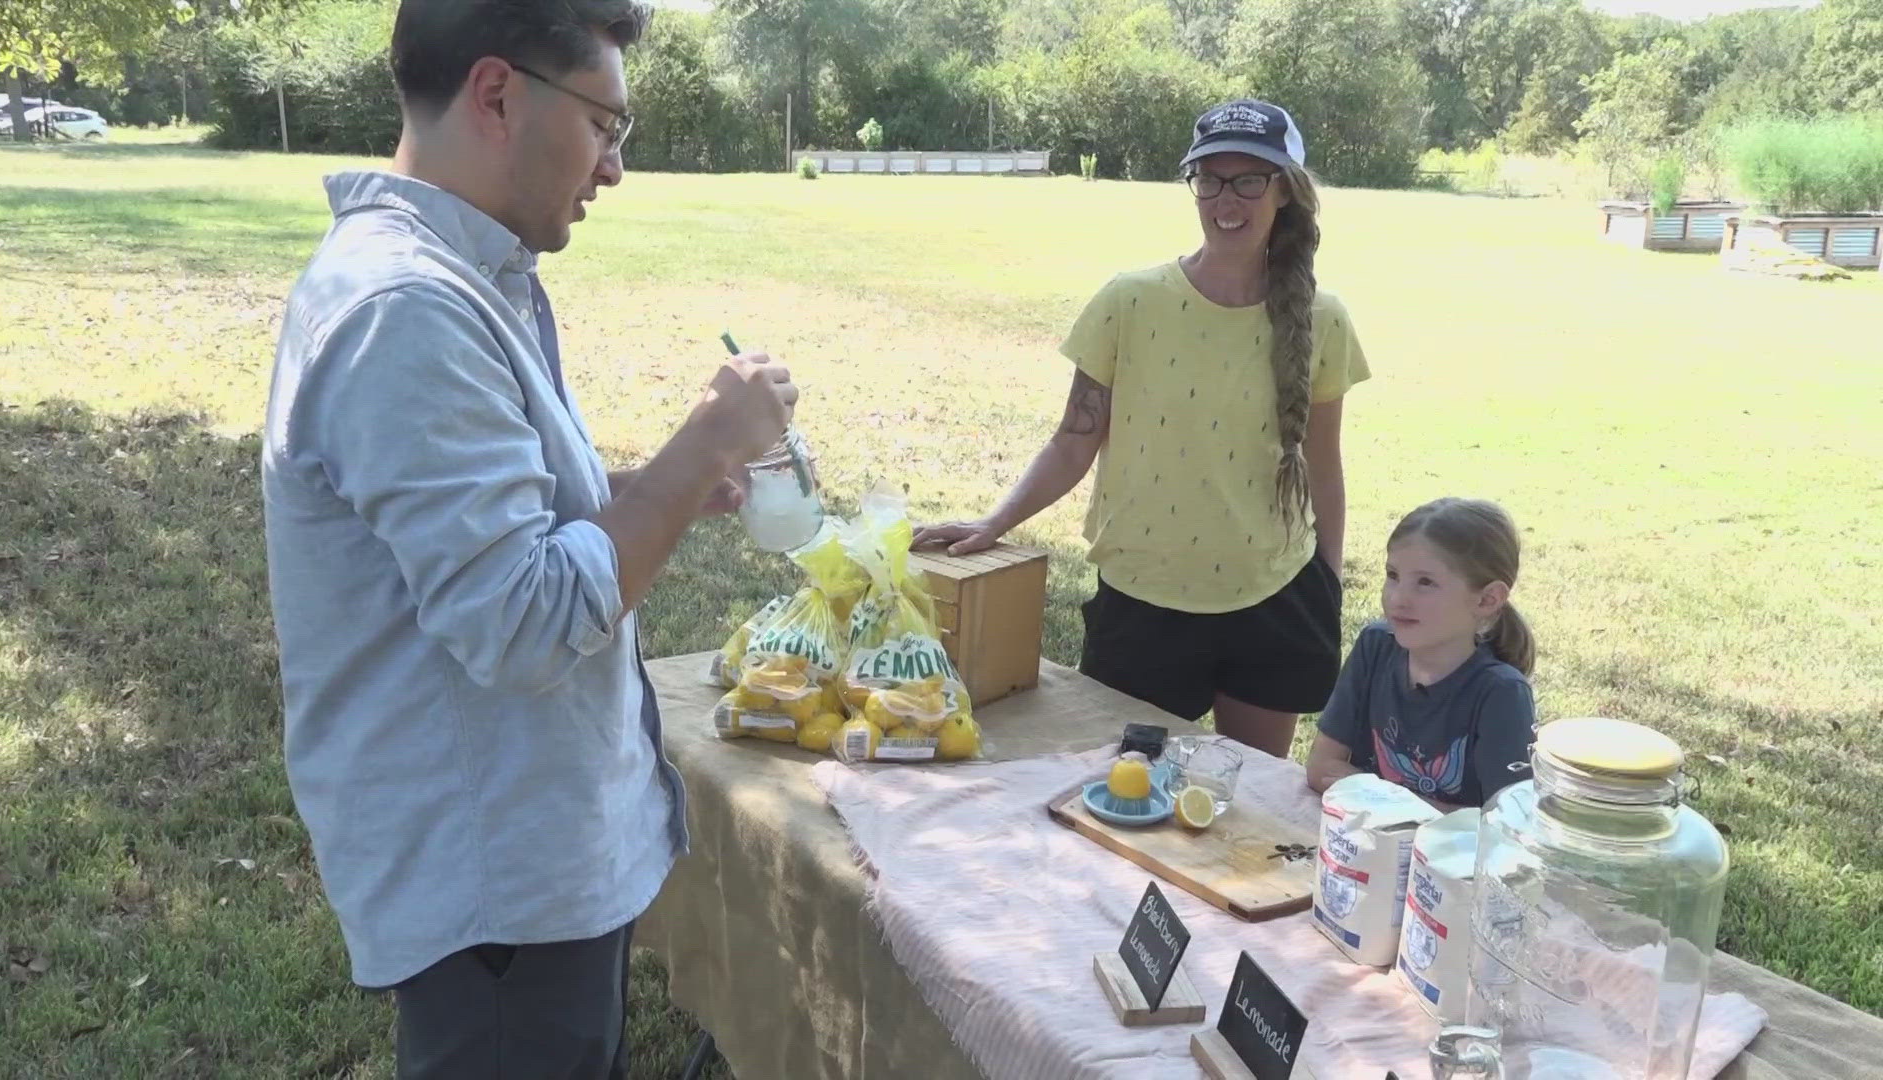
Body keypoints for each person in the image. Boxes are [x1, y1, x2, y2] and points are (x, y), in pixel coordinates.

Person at [259, 1, 797, 1075]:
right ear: (499, 94)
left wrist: (651, 492)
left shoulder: (459, 278)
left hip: (518, 870)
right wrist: (700, 448)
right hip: (495, 892)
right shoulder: (406, 307)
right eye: (606, 125)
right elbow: (523, 625)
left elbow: (504, 527)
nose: (613, 169)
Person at [915, 99, 1370, 757]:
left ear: (1286, 192)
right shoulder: (1130, 301)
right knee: (1121, 803)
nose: (1226, 199)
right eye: (1209, 178)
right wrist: (995, 524)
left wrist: (1325, 583)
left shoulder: (1324, 319)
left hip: (1273, 601)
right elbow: (1075, 440)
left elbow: (1323, 466)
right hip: (1142, 605)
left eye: (1250, 179)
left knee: (1250, 805)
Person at [1305, 498, 1538, 810]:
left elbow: (1501, 823)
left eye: (1425, 582)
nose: (1398, 598)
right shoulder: (1375, 648)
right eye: (1392, 575)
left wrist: (1373, 797)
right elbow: (1322, 768)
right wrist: (1427, 810)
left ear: (1486, 599)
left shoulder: (1501, 693)